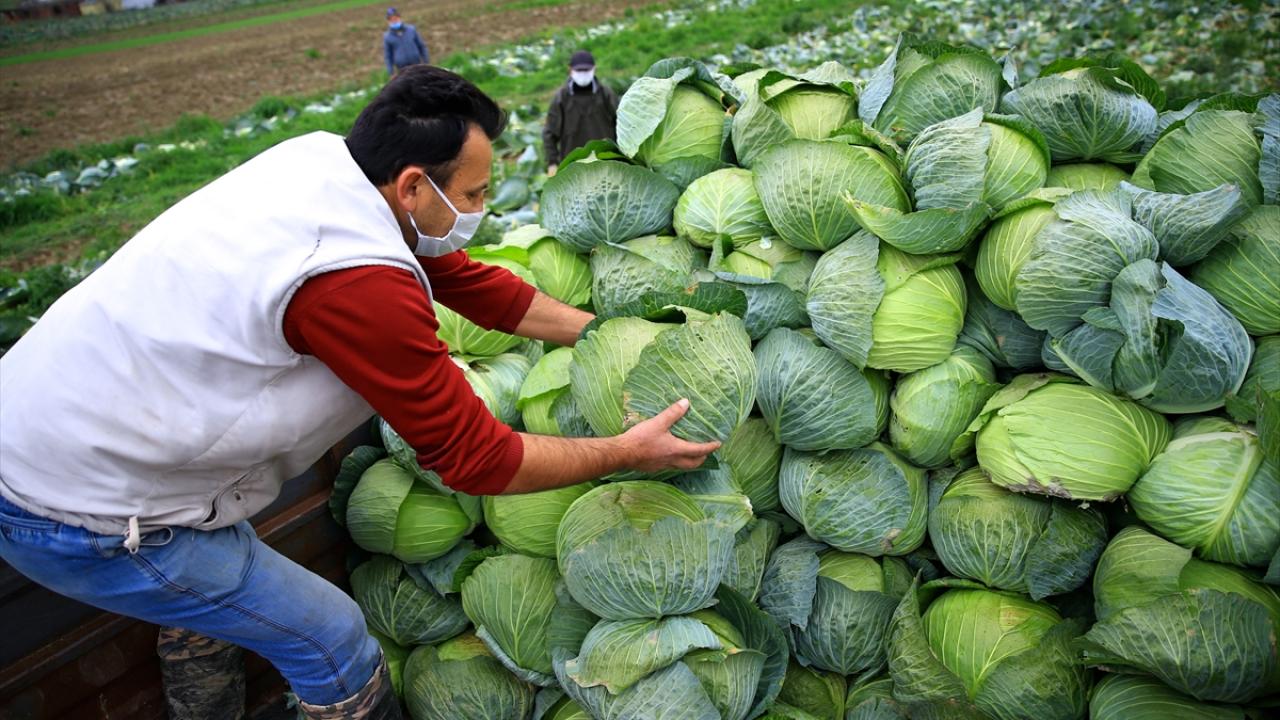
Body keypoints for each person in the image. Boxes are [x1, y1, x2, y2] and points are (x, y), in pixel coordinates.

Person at [0, 66, 719, 720]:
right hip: (81, 509)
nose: (480, 209)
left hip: (88, 436)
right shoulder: (357, 282)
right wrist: (626, 451)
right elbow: (476, 460)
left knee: (206, 604)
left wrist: (604, 333)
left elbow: (466, 280)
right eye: (472, 194)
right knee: (333, 640)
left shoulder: (326, 168)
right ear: (412, 186)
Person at [542, 50, 619, 176]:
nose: (583, 74)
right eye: (579, 71)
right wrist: (552, 163)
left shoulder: (605, 94)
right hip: (573, 167)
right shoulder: (562, 98)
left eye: (586, 70)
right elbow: (549, 133)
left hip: (607, 164)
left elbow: (621, 124)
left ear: (594, 69)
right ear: (570, 70)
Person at [383, 7, 428, 76]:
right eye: (391, 19)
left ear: (399, 18)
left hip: (417, 65)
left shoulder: (411, 30)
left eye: (395, 18)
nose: (394, 21)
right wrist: (391, 72)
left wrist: (426, 62)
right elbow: (388, 56)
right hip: (402, 70)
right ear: (388, 21)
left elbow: (421, 46)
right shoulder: (387, 37)